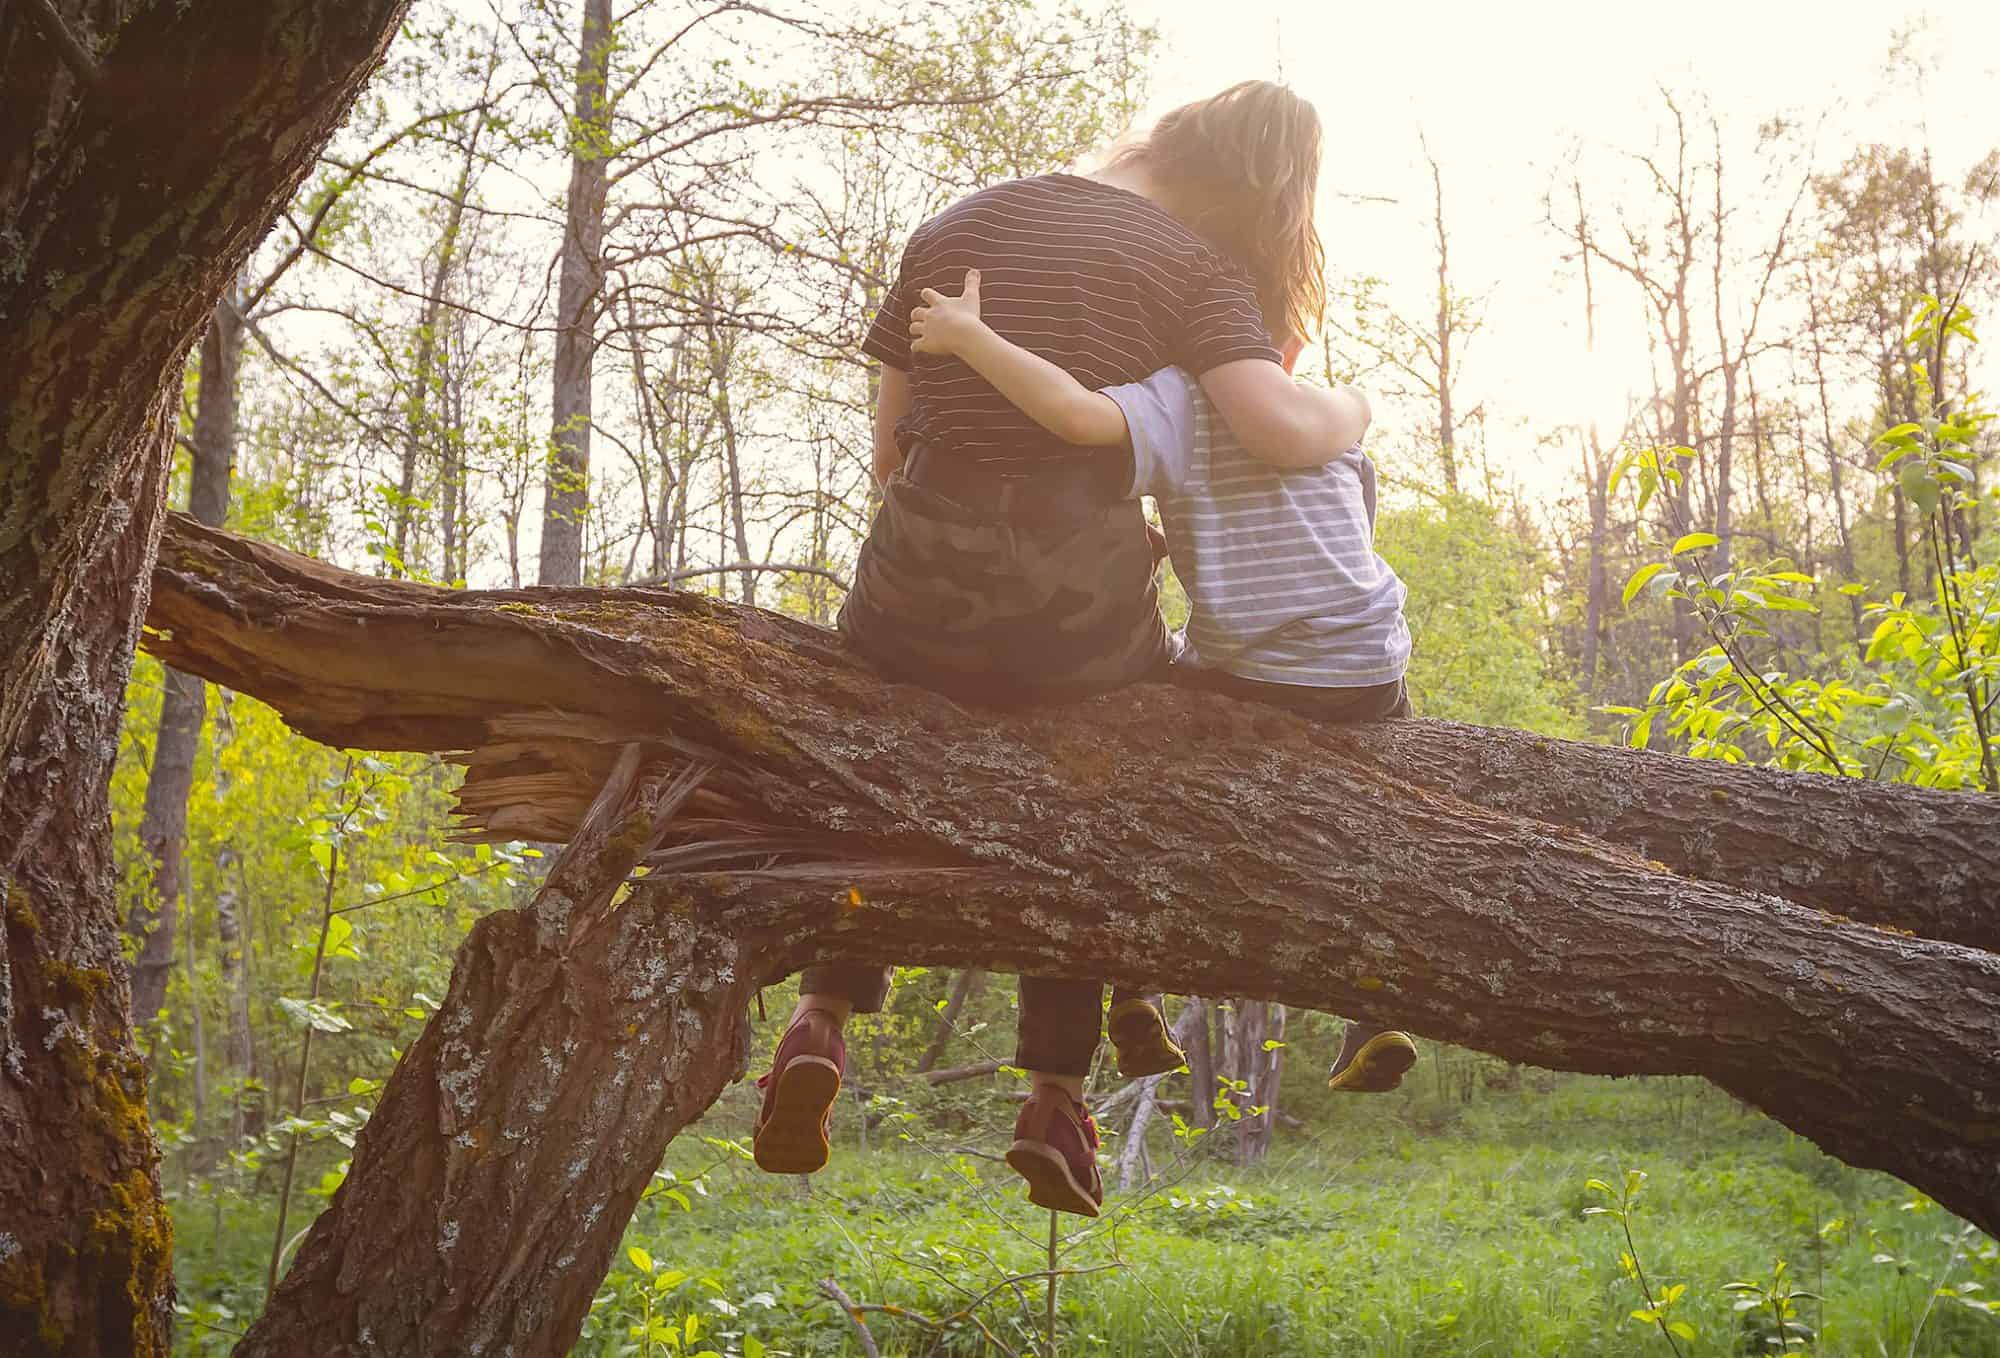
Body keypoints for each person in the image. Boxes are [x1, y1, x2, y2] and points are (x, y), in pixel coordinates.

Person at [752, 81, 1366, 1218]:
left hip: (915, 578)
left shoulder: (953, 224)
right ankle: (1049, 1095)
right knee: (1098, 775)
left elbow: (888, 454)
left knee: (877, 738)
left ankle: (818, 1019)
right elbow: (1274, 430)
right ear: (1260, 189)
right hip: (1072, 602)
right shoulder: (1195, 268)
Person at [904, 265, 1422, 1098]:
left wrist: (972, 338)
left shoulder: (1177, 399)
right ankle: (1381, 1007)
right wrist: (1357, 402)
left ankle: (1131, 989)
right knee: (1388, 812)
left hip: (1251, 674)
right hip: (1367, 667)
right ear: (1290, 344)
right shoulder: (1323, 409)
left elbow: (1072, 413)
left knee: (1125, 779)